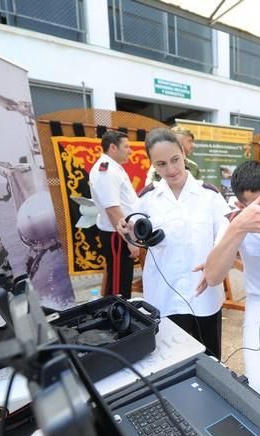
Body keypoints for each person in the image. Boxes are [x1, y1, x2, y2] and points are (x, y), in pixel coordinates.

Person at [118, 127, 229, 358]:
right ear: (153, 165)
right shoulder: (147, 199)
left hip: (203, 293)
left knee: (210, 359)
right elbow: (136, 235)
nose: (170, 169)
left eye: (175, 160)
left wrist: (217, 263)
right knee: (171, 358)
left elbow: (228, 236)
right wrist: (127, 231)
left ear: (183, 152)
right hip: (165, 294)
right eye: (161, 164)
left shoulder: (209, 196)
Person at [203, 161, 260, 398]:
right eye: (259, 203)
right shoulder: (234, 220)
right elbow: (213, 277)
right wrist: (239, 228)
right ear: (243, 204)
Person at [89, 130, 139, 299]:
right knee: (118, 285)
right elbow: (113, 210)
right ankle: (115, 319)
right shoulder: (106, 171)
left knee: (123, 281)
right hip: (117, 235)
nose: (130, 151)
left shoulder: (114, 168)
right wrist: (130, 240)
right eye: (126, 146)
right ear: (112, 147)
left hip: (121, 233)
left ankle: (121, 316)